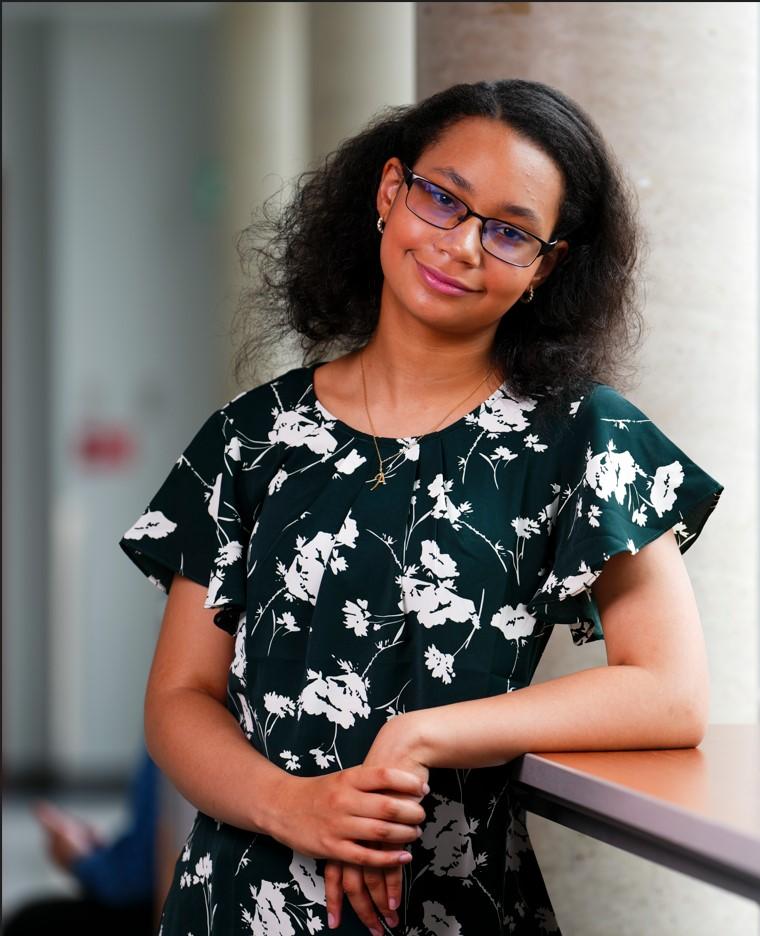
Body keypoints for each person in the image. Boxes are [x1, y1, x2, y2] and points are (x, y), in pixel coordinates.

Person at [118, 79, 724, 935]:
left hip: (454, 904)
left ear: (545, 268)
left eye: (510, 231)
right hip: (238, 898)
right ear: (390, 193)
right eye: (442, 199)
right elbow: (178, 698)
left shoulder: (584, 438)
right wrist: (296, 806)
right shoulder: (250, 438)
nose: (463, 245)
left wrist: (422, 735)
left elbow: (670, 694)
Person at [3, 749, 158, 934]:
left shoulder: (168, 738)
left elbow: (133, 883)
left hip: (160, 910)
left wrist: (80, 857)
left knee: (28, 924)